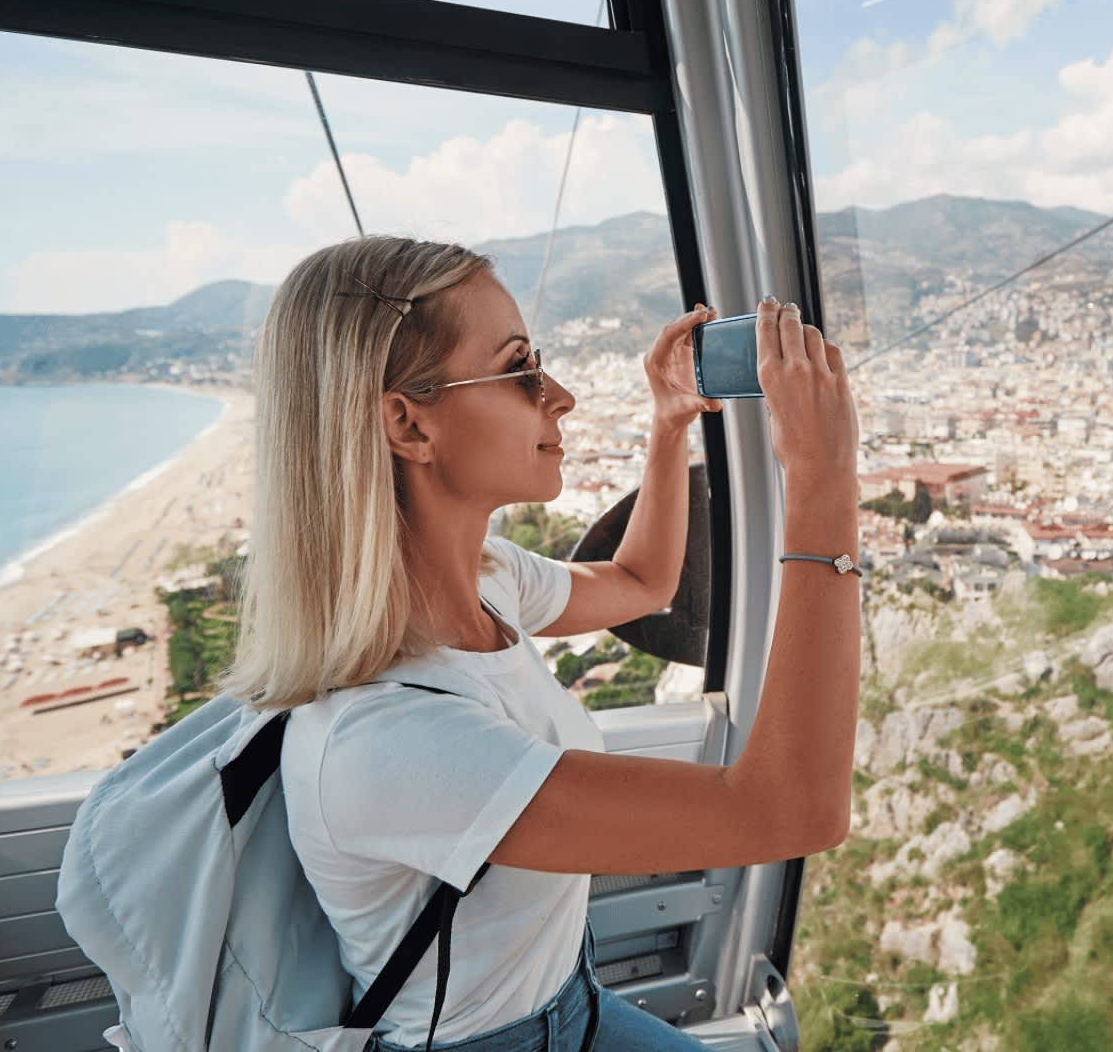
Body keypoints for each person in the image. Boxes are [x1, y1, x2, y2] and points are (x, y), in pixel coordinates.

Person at [215, 236, 861, 1051]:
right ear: (407, 424)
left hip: (575, 1002)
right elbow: (792, 810)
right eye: (521, 368)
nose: (559, 396)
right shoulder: (384, 739)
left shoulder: (486, 580)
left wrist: (669, 425)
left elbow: (641, 583)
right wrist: (825, 483)